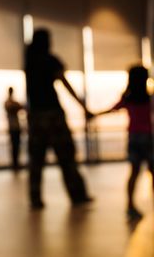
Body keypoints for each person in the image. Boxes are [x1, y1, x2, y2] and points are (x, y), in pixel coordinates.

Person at [25, 28, 93, 209]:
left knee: (36, 160)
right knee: (67, 157)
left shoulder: (29, 61)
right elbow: (65, 83)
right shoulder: (50, 60)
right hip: (53, 115)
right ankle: (77, 195)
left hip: (35, 116)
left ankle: (35, 198)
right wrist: (83, 107)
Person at [94, 65, 154, 220]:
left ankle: (130, 206)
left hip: (134, 138)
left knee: (134, 173)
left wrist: (93, 114)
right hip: (148, 139)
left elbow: (111, 109)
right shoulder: (149, 98)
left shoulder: (128, 99)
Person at [4, 87, 25, 170]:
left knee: (15, 146)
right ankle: (15, 164)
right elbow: (18, 107)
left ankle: (15, 164)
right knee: (15, 146)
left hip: (14, 127)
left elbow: (18, 107)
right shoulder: (9, 102)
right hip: (14, 127)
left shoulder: (9, 102)